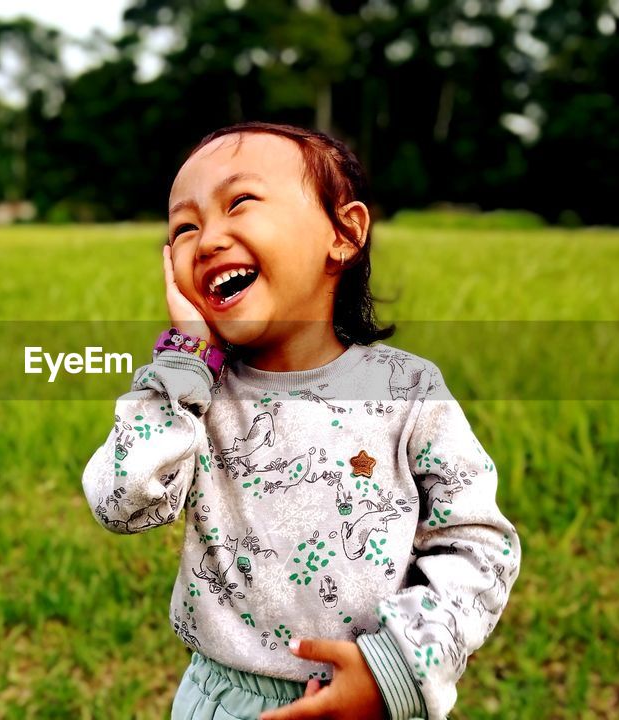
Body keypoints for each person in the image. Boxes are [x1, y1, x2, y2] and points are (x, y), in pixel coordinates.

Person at [81, 122, 521, 720]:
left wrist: (396, 669)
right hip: (226, 701)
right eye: (184, 227)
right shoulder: (195, 396)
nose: (207, 239)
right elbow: (123, 503)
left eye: (239, 203)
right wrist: (183, 367)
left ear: (343, 234)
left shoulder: (408, 391)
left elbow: (477, 543)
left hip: (377, 693)